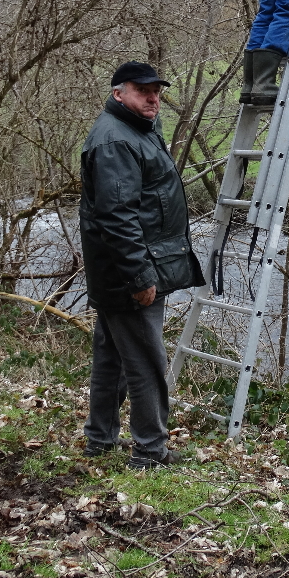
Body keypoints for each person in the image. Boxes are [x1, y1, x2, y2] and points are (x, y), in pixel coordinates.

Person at [79, 60, 204, 468]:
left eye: (156, 91)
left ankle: (99, 440)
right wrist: (139, 276)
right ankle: (150, 451)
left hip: (123, 269)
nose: (153, 97)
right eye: (142, 90)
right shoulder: (116, 140)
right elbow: (117, 216)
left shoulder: (135, 131)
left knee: (112, 359)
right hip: (129, 273)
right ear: (119, 94)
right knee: (147, 362)